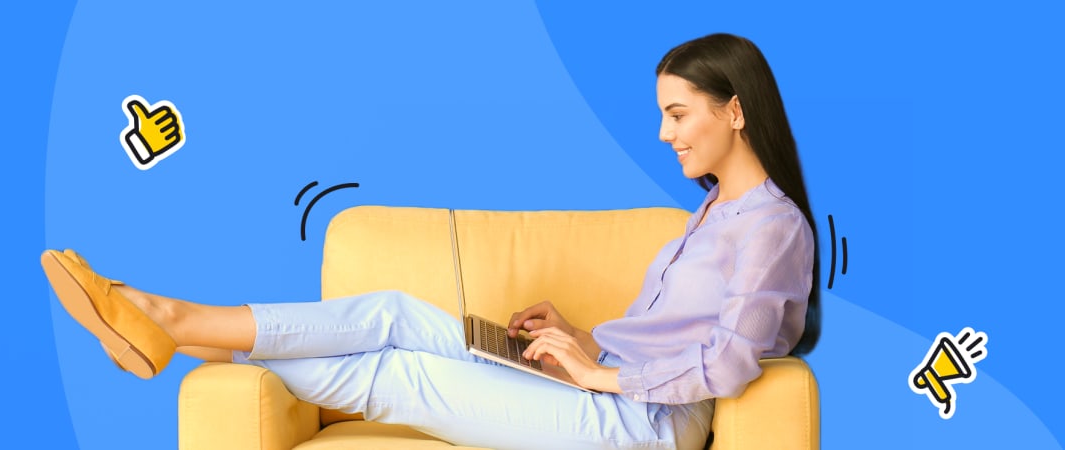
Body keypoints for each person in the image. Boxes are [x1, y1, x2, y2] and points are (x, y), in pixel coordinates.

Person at [41, 33, 819, 450]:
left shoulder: (774, 227)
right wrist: (575, 340)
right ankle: (169, 319)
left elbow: (729, 360)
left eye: (679, 113)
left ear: (736, 111)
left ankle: (165, 326)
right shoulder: (716, 212)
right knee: (391, 312)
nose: (663, 133)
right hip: (615, 386)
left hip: (640, 427)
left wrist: (595, 377)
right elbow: (672, 338)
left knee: (396, 376)